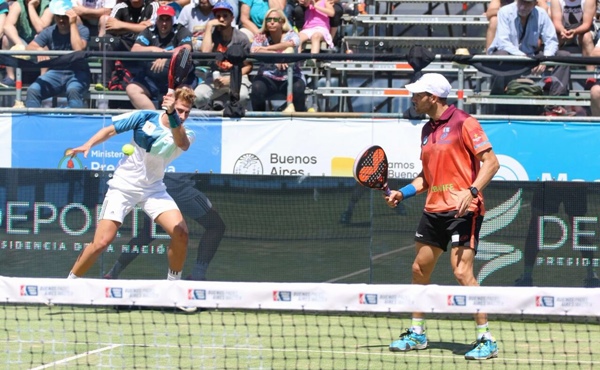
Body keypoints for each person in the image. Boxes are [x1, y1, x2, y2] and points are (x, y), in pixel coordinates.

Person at [384, 73, 500, 361]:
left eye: (417, 94)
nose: (413, 98)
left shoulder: (464, 122)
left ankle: (486, 337)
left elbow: (491, 163)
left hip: (464, 209)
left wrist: (471, 192)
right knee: (418, 270)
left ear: (432, 97)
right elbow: (427, 177)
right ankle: (417, 333)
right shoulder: (426, 130)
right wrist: (404, 192)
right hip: (433, 209)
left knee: (462, 272)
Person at [67, 86, 197, 280]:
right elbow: (110, 130)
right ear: (168, 104)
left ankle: (173, 286)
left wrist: (172, 115)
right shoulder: (144, 117)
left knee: (181, 234)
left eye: (187, 112)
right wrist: (88, 144)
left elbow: (181, 143)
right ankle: (69, 284)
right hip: (123, 186)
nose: (184, 115)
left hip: (153, 189)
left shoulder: (186, 133)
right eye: (180, 110)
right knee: (101, 242)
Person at [104, 173, 226, 281]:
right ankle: (197, 275)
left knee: (148, 233)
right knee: (216, 226)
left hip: (157, 190)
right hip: (177, 190)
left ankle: (112, 274)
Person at [487, 0, 571, 115]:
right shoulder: (504, 11)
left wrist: (545, 59)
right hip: (510, 56)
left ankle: (554, 104)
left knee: (564, 56)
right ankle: (502, 104)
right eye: (521, 2)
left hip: (531, 56)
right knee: (503, 56)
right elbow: (503, 42)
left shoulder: (541, 14)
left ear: (535, 4)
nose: (522, 6)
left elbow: (551, 41)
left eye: (527, 3)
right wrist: (524, 57)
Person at [515, 183, 600, 287]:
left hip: (572, 183)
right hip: (550, 183)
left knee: (579, 230)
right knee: (536, 229)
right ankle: (527, 277)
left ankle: (591, 275)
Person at [126, 5, 195, 109]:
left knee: (183, 94)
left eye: (167, 20)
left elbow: (186, 48)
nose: (164, 23)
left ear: (172, 21)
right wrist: (155, 50)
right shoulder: (149, 31)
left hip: (179, 81)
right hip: (152, 80)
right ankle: (154, 118)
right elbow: (135, 49)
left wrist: (165, 56)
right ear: (156, 20)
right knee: (132, 89)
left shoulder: (180, 30)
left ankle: (174, 121)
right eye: (161, 19)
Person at [24, 5, 91, 108]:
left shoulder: (82, 30)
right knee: (33, 90)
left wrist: (73, 23)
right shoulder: (49, 31)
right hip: (55, 73)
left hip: (78, 72)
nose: (61, 20)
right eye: (58, 16)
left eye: (64, 16)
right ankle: (34, 121)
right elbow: (29, 47)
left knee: (73, 90)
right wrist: (40, 50)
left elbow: (78, 49)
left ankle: (75, 121)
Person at [194, 1, 252, 110]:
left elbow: (248, 66)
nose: (221, 19)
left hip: (237, 76)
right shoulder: (212, 35)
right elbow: (205, 52)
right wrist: (208, 26)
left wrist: (230, 78)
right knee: (198, 96)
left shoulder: (241, 38)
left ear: (232, 18)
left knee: (242, 96)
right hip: (215, 78)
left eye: (225, 16)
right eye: (218, 16)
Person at [250, 8, 306, 112]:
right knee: (256, 87)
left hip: (291, 77)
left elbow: (291, 43)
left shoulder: (292, 34)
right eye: (268, 19)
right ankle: (259, 119)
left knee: (298, 87)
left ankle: (299, 118)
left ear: (282, 22)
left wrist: (266, 49)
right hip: (267, 77)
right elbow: (254, 50)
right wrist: (277, 56)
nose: (271, 22)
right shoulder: (260, 36)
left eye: (275, 20)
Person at [1, 0, 53, 86]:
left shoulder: (48, 6)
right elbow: (7, 26)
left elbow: (40, 28)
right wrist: (19, 44)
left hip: (41, 45)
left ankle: (43, 78)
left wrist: (31, 6)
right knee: (6, 39)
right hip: (24, 42)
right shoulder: (18, 4)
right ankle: (10, 77)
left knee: (44, 44)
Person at [550, 0, 596, 71]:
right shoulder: (556, 1)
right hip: (564, 31)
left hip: (583, 32)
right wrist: (562, 30)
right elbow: (557, 21)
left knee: (587, 38)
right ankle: (550, 69)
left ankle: (591, 74)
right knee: (553, 38)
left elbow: (587, 24)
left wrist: (575, 31)